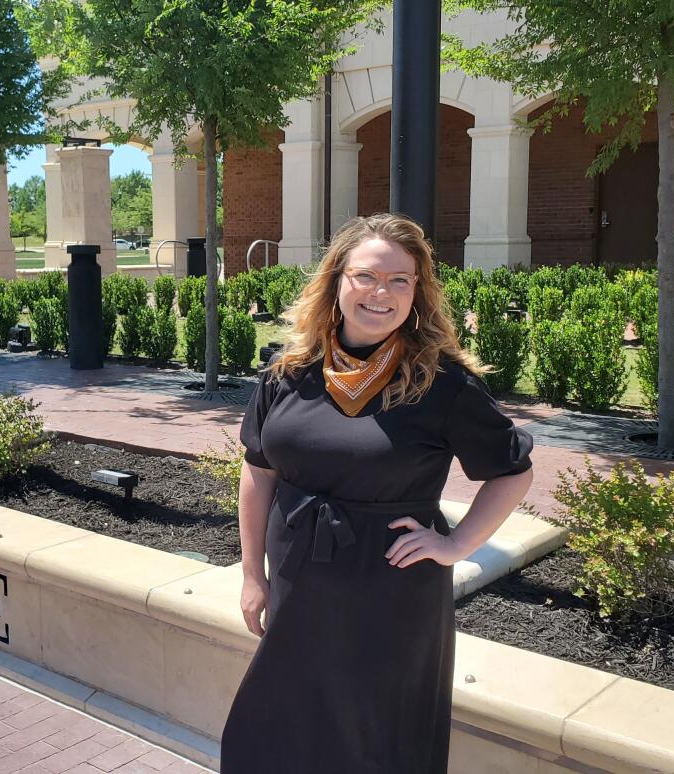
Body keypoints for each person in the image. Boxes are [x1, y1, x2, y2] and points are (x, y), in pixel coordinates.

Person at [220, 213, 534, 773]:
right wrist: (252, 572)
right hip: (299, 575)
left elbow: (513, 472)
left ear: (418, 292)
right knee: (278, 726)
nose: (381, 293)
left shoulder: (443, 383)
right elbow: (259, 472)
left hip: (390, 591)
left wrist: (456, 545)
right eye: (366, 276)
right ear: (336, 281)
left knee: (376, 735)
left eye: (399, 280)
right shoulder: (287, 373)